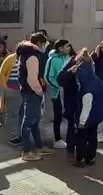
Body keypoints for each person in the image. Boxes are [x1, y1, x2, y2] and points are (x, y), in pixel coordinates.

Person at [18, 32, 51, 161]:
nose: (45, 47)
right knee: (28, 121)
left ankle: (38, 146)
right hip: (32, 92)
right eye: (44, 44)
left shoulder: (26, 54)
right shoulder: (32, 57)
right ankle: (26, 152)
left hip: (28, 91)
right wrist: (39, 91)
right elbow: (32, 78)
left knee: (34, 121)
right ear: (39, 43)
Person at [73, 49, 103, 167]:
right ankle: (91, 158)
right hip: (97, 116)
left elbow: (86, 107)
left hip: (88, 117)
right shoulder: (95, 79)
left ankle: (81, 159)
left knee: (81, 137)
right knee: (92, 137)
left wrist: (81, 122)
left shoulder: (86, 87)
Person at [43, 39, 72, 149]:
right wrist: (59, 87)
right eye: (66, 46)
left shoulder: (68, 58)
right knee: (58, 116)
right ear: (60, 48)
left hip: (68, 92)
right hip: (57, 93)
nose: (69, 48)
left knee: (69, 115)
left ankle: (68, 137)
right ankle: (57, 139)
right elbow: (48, 77)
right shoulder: (52, 60)